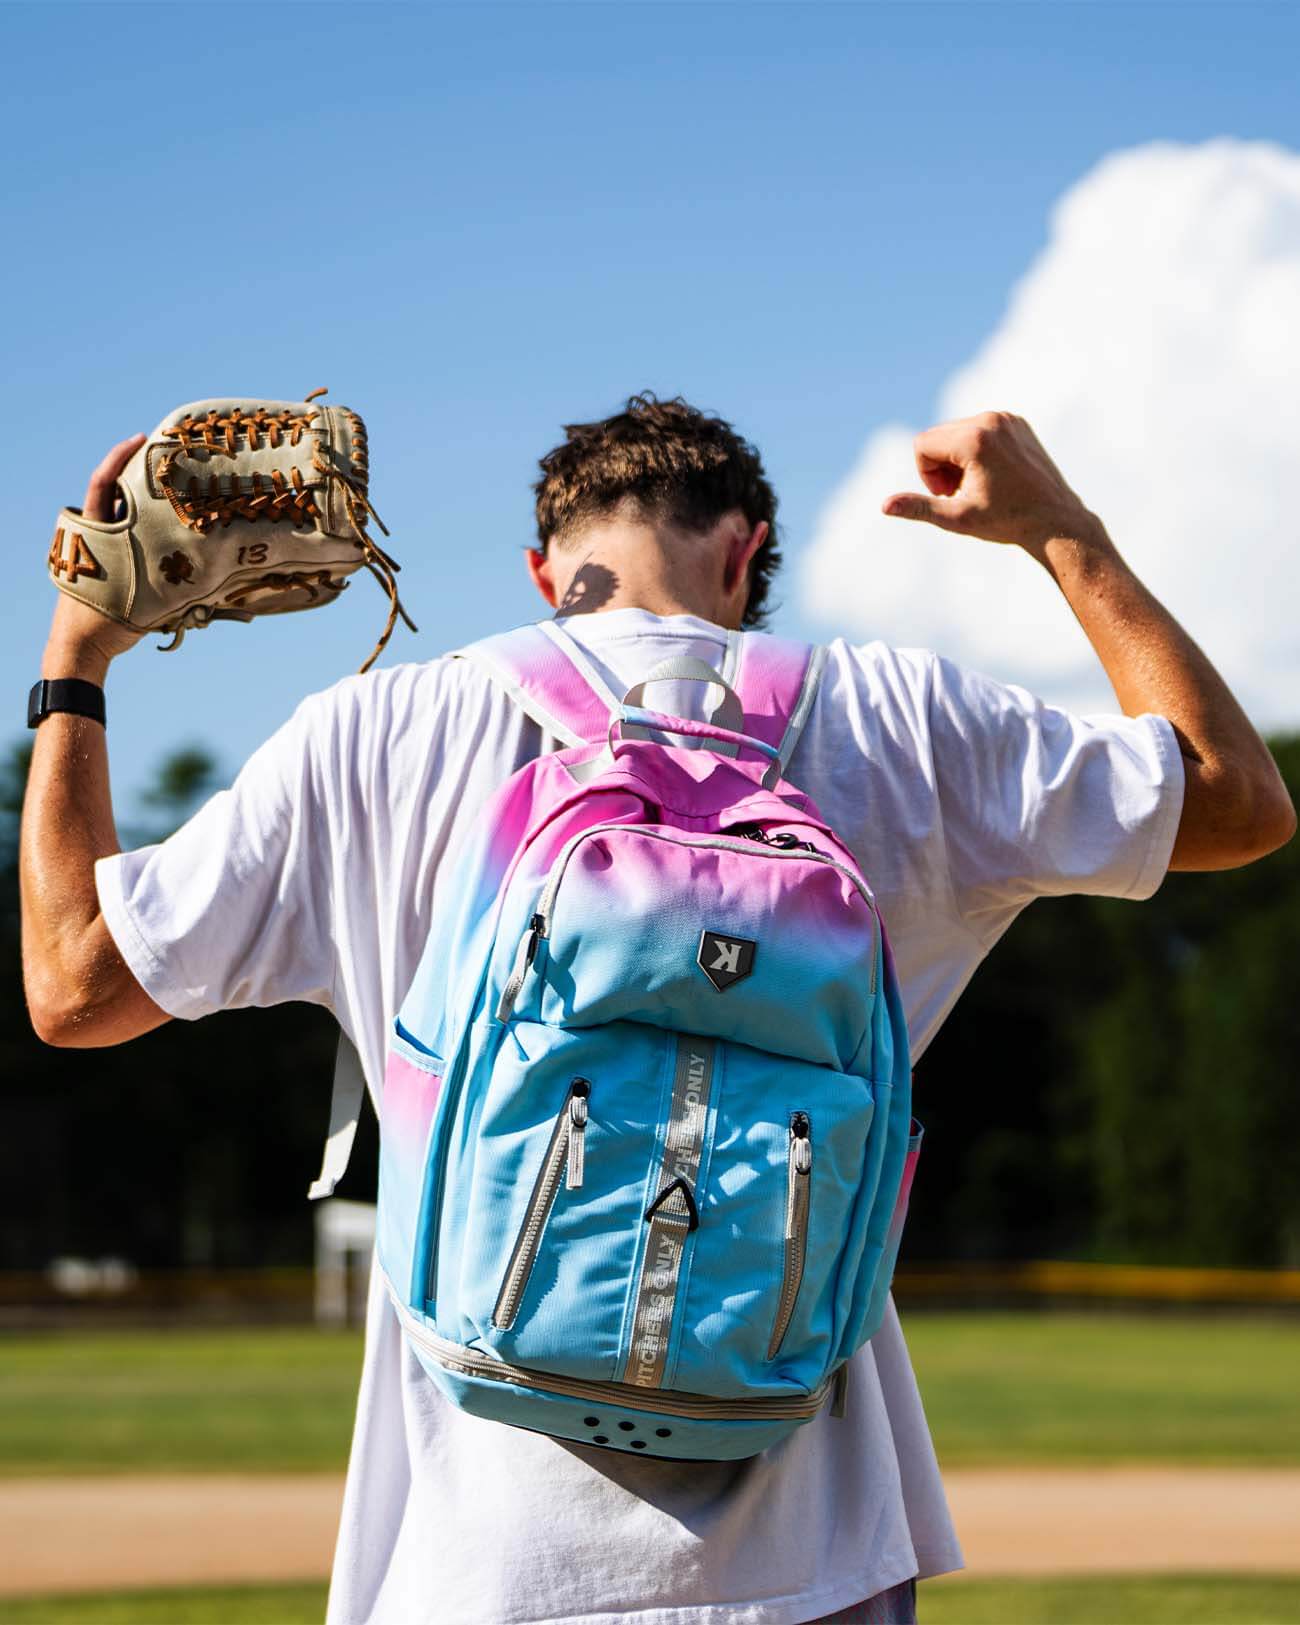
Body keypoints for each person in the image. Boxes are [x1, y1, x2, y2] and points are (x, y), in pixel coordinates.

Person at [22, 395, 1294, 1625]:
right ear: (746, 555)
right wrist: (1057, 527)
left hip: (479, 1561)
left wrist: (78, 651)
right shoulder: (905, 719)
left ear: (542, 570)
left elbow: (73, 985)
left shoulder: (376, 730)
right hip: (811, 1550)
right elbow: (1238, 802)